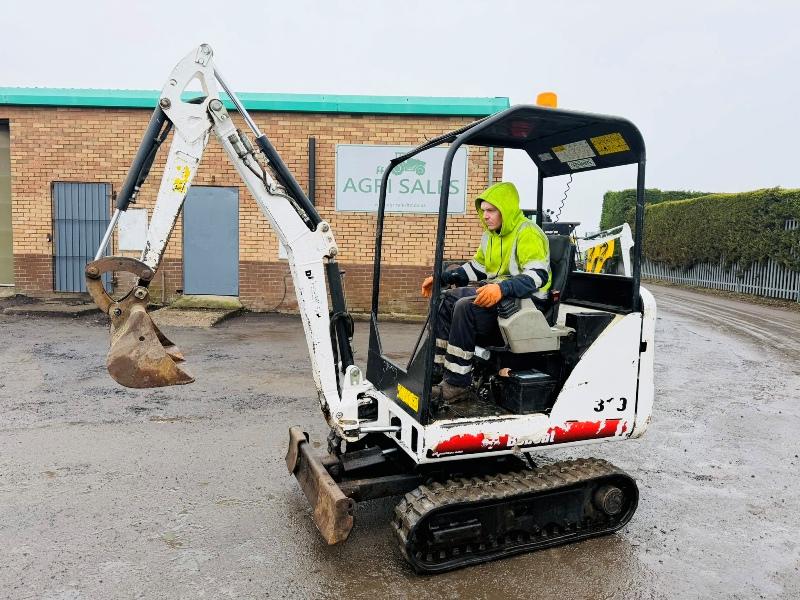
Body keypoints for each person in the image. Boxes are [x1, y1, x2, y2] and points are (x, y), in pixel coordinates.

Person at [421, 181, 551, 403]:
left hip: (526, 305)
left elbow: (539, 275)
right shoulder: (490, 236)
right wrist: (443, 278)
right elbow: (477, 268)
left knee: (465, 308)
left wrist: (502, 288)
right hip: (502, 297)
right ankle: (438, 370)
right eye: (484, 211)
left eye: (491, 211)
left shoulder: (528, 233)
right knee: (448, 299)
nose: (486, 216)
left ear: (506, 210)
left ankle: (457, 383)